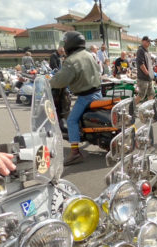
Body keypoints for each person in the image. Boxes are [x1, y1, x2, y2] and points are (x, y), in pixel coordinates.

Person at [50, 31, 102, 166]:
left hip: (85, 97)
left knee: (72, 121)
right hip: (97, 93)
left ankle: (75, 153)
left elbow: (60, 81)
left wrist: (50, 82)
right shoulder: (89, 55)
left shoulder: (71, 60)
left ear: (69, 44)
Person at [135, 36, 155, 105]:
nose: (149, 43)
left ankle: (149, 108)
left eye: (149, 41)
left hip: (148, 78)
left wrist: (151, 74)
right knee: (141, 95)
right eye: (147, 41)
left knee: (151, 94)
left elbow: (149, 64)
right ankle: (131, 109)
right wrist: (147, 73)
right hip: (143, 78)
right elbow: (141, 64)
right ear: (143, 41)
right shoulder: (140, 50)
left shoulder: (146, 51)